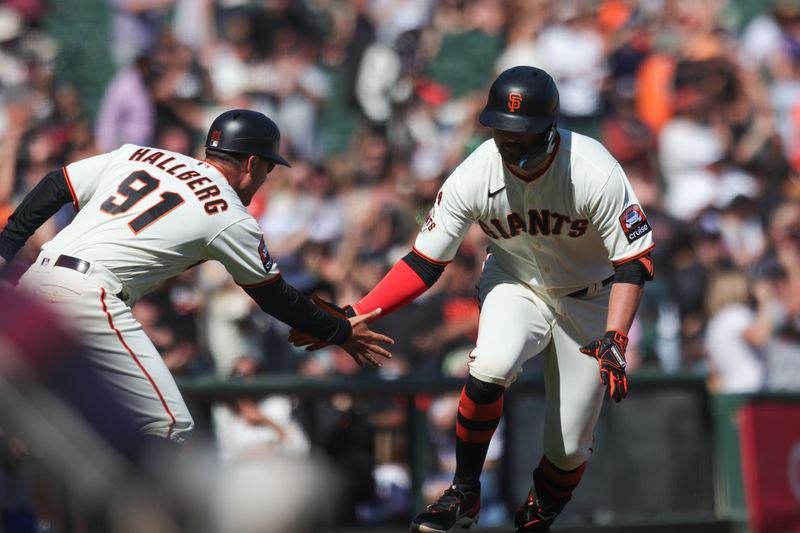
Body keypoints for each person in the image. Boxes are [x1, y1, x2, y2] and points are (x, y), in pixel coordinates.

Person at [290, 66, 655, 532]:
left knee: (567, 447)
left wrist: (616, 336)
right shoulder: (476, 171)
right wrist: (357, 312)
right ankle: (464, 492)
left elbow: (635, 259)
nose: (509, 142)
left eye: (521, 133)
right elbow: (424, 262)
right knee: (491, 365)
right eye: (502, 131)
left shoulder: (592, 168)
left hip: (593, 298)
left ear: (549, 128)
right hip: (515, 281)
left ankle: (534, 521)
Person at [0, 108, 393, 444]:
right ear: (252, 163)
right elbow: (275, 298)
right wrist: (339, 331)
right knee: (169, 426)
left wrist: (5, 249)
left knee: (48, 429)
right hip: (90, 297)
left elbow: (57, 184)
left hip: (38, 282)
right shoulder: (229, 214)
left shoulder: (137, 154)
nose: (264, 179)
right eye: (268, 168)